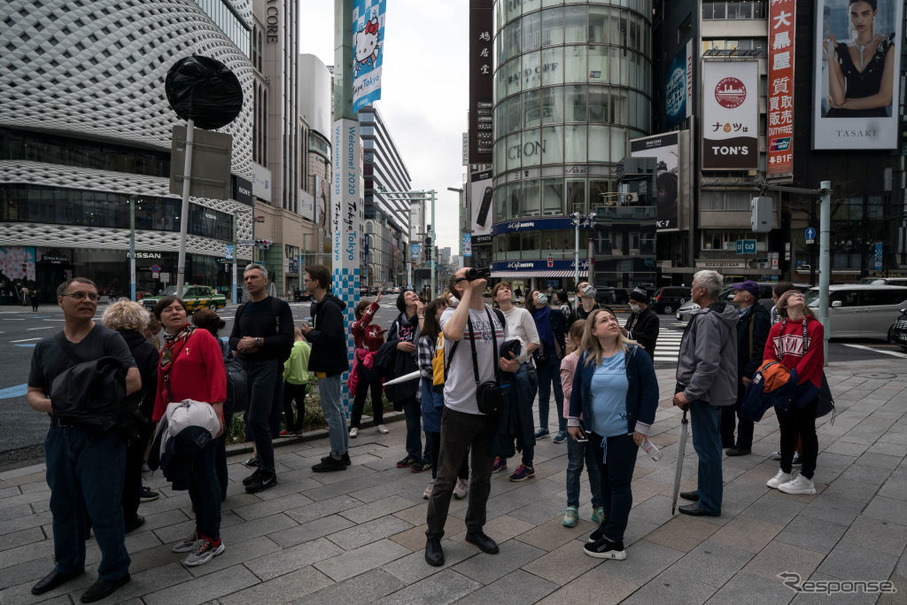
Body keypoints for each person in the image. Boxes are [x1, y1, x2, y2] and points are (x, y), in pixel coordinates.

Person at [27, 278, 140, 602]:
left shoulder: (109, 339)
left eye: (92, 296)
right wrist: (50, 404)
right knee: (63, 506)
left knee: (103, 507)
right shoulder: (46, 347)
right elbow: (34, 392)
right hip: (59, 436)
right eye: (79, 295)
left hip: (99, 437)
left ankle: (116, 570)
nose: (88, 300)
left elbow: (133, 380)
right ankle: (68, 564)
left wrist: (88, 403)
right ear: (61, 301)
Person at [425, 268, 519, 567]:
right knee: (446, 478)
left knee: (483, 476)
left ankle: (474, 529)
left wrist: (513, 365)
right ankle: (434, 536)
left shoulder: (496, 316)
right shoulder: (448, 314)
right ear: (457, 286)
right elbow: (453, 333)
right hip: (458, 409)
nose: (475, 274)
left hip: (489, 409)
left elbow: (504, 357)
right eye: (465, 275)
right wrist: (465, 292)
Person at [567, 307, 658, 560]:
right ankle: (608, 524)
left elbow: (650, 392)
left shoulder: (635, 354)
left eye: (613, 318)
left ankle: (614, 541)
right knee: (604, 481)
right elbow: (577, 391)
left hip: (624, 434)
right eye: (604, 320)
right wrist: (573, 421)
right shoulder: (588, 356)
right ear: (594, 331)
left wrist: (642, 427)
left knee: (619, 483)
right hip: (597, 433)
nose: (611, 322)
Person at [153, 295, 227, 566]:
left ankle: (213, 539)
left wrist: (218, 410)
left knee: (206, 476)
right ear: (159, 317)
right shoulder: (169, 346)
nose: (175, 312)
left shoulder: (201, 337)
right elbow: (163, 387)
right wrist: (159, 420)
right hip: (179, 420)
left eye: (179, 308)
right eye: (168, 309)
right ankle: (201, 530)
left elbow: (217, 371)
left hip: (203, 419)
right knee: (194, 476)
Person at [672, 270, 738, 517]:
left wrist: (689, 393)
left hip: (707, 393)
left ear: (701, 290)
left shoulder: (709, 319)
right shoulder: (717, 314)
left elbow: (707, 363)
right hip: (714, 391)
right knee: (706, 444)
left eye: (692, 285)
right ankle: (705, 490)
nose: (690, 288)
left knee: (708, 447)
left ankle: (709, 502)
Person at [229, 264, 294, 492]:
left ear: (265, 281)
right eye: (246, 278)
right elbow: (233, 339)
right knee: (251, 418)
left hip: (267, 367)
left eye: (254, 277)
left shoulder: (279, 307)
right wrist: (242, 344)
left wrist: (258, 342)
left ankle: (268, 473)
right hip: (246, 366)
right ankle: (262, 465)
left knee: (258, 419)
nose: (248, 281)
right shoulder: (242, 309)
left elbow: (287, 339)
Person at [101, 299, 159, 534]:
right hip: (134, 419)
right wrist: (150, 420)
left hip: (103, 417)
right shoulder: (146, 349)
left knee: (103, 469)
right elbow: (154, 388)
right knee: (132, 469)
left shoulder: (102, 346)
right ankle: (129, 517)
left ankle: (94, 516)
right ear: (140, 321)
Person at [764, 290, 825, 495]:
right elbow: (769, 357)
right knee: (786, 429)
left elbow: (812, 360)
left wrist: (791, 379)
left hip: (806, 387)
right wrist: (781, 379)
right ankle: (785, 470)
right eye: (793, 295)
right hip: (782, 387)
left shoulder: (816, 327)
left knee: (807, 430)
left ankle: (807, 478)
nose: (799, 296)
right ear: (784, 304)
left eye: (801, 294)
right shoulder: (776, 329)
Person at [300, 264, 351, 472]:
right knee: (336, 409)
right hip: (331, 363)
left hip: (328, 363)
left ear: (316, 282)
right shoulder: (327, 305)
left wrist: (309, 333)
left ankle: (337, 456)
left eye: (306, 279)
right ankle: (342, 452)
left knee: (332, 411)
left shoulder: (328, 307)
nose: (305, 282)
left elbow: (330, 337)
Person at [491, 282, 540, 481]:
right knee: (502, 416)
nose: (506, 290)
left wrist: (517, 361)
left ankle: (528, 464)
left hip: (524, 372)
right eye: (501, 289)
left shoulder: (522, 314)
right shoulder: (492, 317)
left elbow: (535, 342)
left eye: (507, 288)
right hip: (502, 374)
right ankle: (502, 455)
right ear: (494, 297)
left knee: (523, 418)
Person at [560, 319, 604, 528]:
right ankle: (572, 506)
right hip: (575, 420)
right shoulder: (569, 361)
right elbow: (567, 392)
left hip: (595, 421)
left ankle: (598, 507)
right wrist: (588, 388)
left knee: (596, 467)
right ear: (578, 339)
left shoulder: (598, 357)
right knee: (575, 466)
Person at [721, 280, 771, 457]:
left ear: (747, 296)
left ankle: (743, 444)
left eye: (738, 291)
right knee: (727, 405)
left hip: (744, 370)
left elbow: (759, 347)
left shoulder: (759, 315)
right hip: (732, 369)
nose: (734, 293)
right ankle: (726, 439)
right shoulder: (741, 313)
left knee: (744, 409)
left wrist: (749, 372)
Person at [823, 0, 895, 117]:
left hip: (874, 122)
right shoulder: (842, 48)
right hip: (841, 120)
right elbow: (837, 100)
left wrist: (844, 104)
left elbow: (885, 99)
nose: (859, 20)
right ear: (848, 14)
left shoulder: (886, 46)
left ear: (874, 13)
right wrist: (829, 54)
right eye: (854, 14)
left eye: (865, 14)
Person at [191, 308, 233, 501]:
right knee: (219, 450)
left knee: (209, 451)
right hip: (226, 397)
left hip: (212, 400)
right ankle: (221, 491)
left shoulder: (205, 341)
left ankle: (213, 493)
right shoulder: (222, 342)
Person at [417, 297, 456, 499]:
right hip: (434, 393)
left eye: (448, 307)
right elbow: (426, 369)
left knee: (454, 438)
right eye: (442, 308)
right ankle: (436, 478)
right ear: (433, 315)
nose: (447, 311)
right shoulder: (427, 338)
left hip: (453, 392)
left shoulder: (453, 334)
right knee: (434, 436)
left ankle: (460, 478)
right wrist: (449, 375)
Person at [387, 289, 428, 472]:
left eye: (414, 293)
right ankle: (413, 454)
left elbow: (428, 336)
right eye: (408, 294)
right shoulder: (398, 323)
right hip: (406, 373)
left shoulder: (427, 316)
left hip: (426, 372)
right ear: (403, 302)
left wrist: (421, 314)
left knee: (429, 419)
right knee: (411, 419)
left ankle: (429, 457)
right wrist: (398, 345)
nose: (414, 295)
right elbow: (388, 344)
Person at [528, 290, 568, 443]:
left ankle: (563, 429)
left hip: (557, 357)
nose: (540, 295)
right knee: (543, 394)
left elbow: (566, 331)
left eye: (541, 293)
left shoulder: (555, 314)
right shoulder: (530, 317)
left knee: (559, 394)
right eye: (536, 294)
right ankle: (544, 427)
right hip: (540, 359)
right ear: (532, 301)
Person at [349, 294, 388, 437]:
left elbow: (380, 347)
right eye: (366, 309)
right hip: (362, 365)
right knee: (360, 396)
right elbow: (364, 321)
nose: (369, 312)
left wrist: (379, 338)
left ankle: (379, 422)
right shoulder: (356, 327)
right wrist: (375, 303)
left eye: (370, 309)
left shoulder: (375, 327)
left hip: (375, 364)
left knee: (377, 395)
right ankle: (354, 425)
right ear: (360, 312)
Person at [281, 326, 311, 436]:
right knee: (300, 404)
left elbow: (287, 366)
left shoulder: (292, 347)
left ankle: (289, 427)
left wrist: (282, 378)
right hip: (303, 380)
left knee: (286, 404)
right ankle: (299, 427)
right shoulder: (307, 347)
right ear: (301, 335)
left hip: (291, 381)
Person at [622, 287, 659, 361]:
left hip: (644, 356)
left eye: (634, 303)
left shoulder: (652, 318)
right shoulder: (632, 315)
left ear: (642, 303)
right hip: (630, 356)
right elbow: (627, 329)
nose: (632, 305)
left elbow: (646, 338)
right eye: (630, 303)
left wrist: (628, 334)